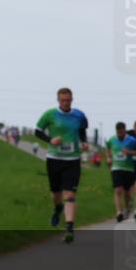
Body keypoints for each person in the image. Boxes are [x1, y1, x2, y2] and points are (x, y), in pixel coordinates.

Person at [34, 87, 89, 243]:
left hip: (73, 160)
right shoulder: (50, 114)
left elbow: (82, 130)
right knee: (56, 194)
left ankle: (69, 228)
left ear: (72, 100)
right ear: (58, 100)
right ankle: (58, 208)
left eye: (68, 100)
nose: (66, 103)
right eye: (63, 100)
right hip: (54, 159)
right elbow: (37, 131)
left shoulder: (79, 115)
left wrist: (84, 142)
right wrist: (50, 140)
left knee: (69, 195)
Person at [105, 122, 136, 222]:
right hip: (116, 168)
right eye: (118, 132)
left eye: (121, 132)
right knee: (118, 190)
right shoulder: (112, 139)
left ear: (124, 130)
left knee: (127, 192)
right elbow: (107, 147)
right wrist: (108, 157)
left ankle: (127, 209)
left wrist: (129, 152)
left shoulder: (132, 140)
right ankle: (119, 212)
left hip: (128, 169)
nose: (119, 134)